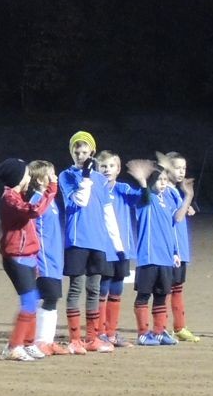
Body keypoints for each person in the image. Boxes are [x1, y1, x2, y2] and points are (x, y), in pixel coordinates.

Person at [58, 130, 114, 356]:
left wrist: (115, 244)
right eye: (76, 151)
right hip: (77, 239)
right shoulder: (67, 176)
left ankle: (92, 337)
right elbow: (80, 200)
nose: (80, 155)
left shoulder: (101, 179)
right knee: (76, 287)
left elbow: (107, 211)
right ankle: (74, 339)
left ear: (93, 151)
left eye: (84, 151)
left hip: (98, 240)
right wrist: (86, 177)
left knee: (94, 289)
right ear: (71, 153)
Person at [0, 157, 56, 361]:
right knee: (29, 301)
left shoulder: (18, 195)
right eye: (25, 173)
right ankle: (14, 346)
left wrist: (41, 191)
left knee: (33, 300)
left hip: (28, 254)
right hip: (16, 256)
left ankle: (28, 343)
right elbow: (35, 211)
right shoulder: (10, 198)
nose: (29, 176)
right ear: (17, 177)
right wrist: (51, 189)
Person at [123, 160, 181, 345]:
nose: (163, 182)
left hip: (165, 258)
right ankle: (142, 333)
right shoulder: (146, 199)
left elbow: (171, 228)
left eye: (165, 179)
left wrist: (174, 252)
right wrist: (143, 181)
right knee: (144, 295)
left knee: (162, 296)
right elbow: (145, 196)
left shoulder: (167, 201)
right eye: (159, 179)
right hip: (148, 257)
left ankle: (159, 331)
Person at [29, 159, 67, 356]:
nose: (55, 177)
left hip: (54, 258)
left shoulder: (49, 200)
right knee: (48, 297)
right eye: (51, 174)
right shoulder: (36, 201)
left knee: (53, 298)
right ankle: (40, 340)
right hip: (43, 259)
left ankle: (48, 340)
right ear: (40, 179)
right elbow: (31, 231)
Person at [96, 151, 134, 349]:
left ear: (118, 169)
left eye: (111, 166)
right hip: (103, 249)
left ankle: (111, 333)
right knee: (102, 289)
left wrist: (145, 181)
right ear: (97, 169)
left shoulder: (124, 189)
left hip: (121, 249)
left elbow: (143, 198)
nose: (107, 170)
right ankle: (99, 333)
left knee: (117, 290)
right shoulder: (95, 190)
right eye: (103, 166)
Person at [161, 151, 200, 342]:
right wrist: (188, 197)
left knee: (177, 289)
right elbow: (176, 217)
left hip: (181, 250)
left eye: (184, 168)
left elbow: (179, 213)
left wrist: (186, 206)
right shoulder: (165, 191)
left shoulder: (174, 191)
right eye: (177, 168)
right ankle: (163, 328)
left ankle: (179, 327)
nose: (182, 172)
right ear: (167, 169)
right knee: (167, 290)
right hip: (171, 251)